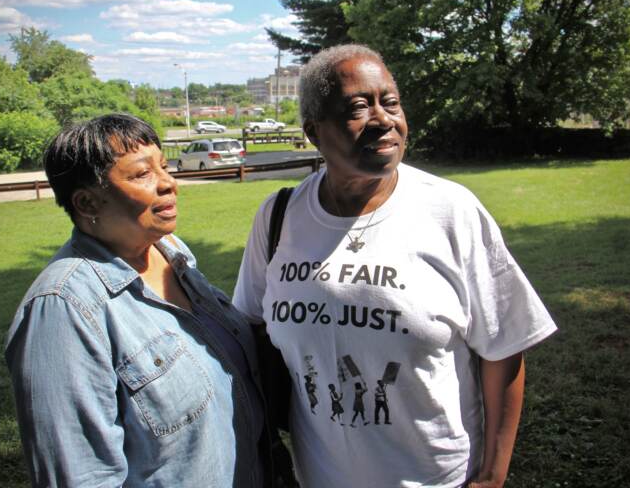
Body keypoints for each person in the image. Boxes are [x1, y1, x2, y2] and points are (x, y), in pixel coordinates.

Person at [233, 45, 557, 487]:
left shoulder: (450, 210)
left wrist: (493, 474)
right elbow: (251, 330)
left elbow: (504, 346)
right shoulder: (279, 218)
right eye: (358, 107)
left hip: (438, 478)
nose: (383, 119)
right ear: (314, 131)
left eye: (391, 102)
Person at [5, 114, 275, 487]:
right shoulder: (63, 308)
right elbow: (81, 476)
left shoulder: (171, 254)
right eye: (141, 174)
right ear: (87, 203)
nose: (168, 184)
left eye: (164, 167)